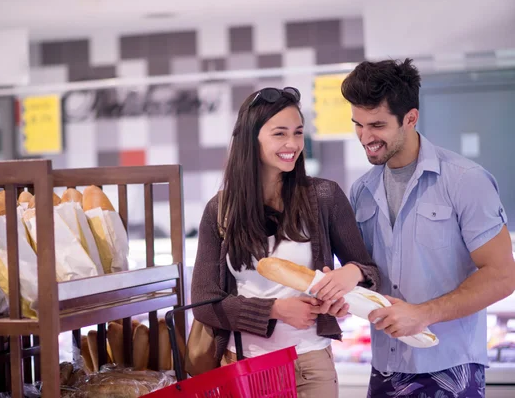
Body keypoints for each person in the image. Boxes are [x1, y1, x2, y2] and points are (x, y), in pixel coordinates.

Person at [191, 86, 380, 397]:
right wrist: (275, 310)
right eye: (280, 134)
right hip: (244, 367)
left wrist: (351, 275)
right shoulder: (220, 210)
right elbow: (205, 304)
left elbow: (370, 271)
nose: (292, 144)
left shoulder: (324, 196)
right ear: (251, 139)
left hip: (310, 364)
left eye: (298, 132)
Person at [341, 58, 515, 397]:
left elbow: (503, 275)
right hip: (385, 368)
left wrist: (424, 314)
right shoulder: (361, 190)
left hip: (451, 369)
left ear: (411, 118)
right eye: (358, 125)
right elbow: (368, 273)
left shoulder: (465, 180)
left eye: (376, 125)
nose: (365, 137)